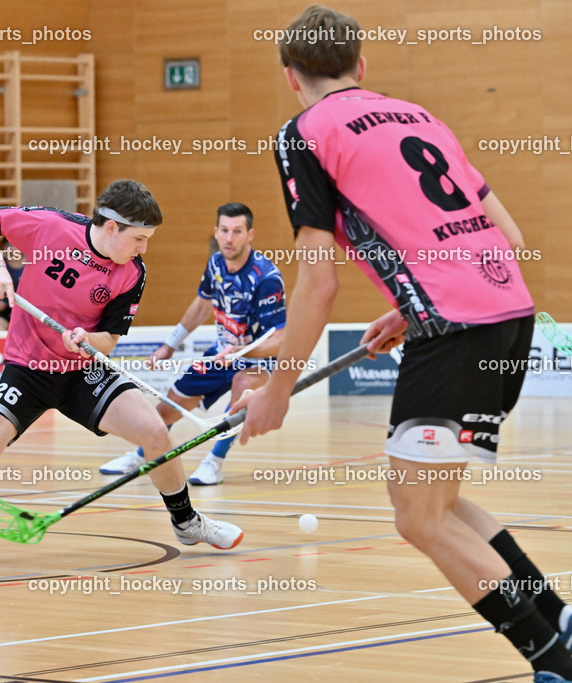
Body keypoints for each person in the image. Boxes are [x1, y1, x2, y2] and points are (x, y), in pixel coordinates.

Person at [235, 7, 570, 681]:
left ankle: (556, 660)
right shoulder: (420, 118)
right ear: (362, 67)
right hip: (507, 311)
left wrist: (276, 391)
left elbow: (318, 283)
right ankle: (558, 618)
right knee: (434, 503)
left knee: (418, 517)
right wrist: (407, 309)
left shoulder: (303, 133)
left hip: (455, 328)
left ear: (289, 79)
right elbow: (500, 233)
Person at [0, 179, 245, 563]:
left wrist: (88, 338)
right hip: (28, 369)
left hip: (81, 370)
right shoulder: (53, 227)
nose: (143, 248)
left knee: (154, 431)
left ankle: (187, 523)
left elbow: (109, 340)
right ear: (111, 227)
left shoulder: (132, 273)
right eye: (139, 238)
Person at [98, 203, 285, 485]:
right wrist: (168, 346)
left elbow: (281, 339)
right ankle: (141, 456)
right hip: (221, 353)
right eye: (224, 230)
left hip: (256, 358)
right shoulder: (216, 264)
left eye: (237, 231)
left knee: (243, 389)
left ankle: (214, 462)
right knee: (167, 408)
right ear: (216, 232)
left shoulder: (266, 278)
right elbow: (201, 306)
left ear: (251, 235)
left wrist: (243, 352)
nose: (229, 238)